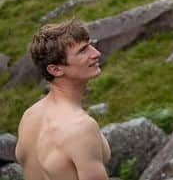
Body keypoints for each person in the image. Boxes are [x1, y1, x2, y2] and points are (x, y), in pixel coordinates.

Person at [16, 19, 110, 180]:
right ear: (56, 69)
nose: (96, 53)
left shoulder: (30, 116)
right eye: (82, 51)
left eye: (90, 45)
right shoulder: (81, 128)